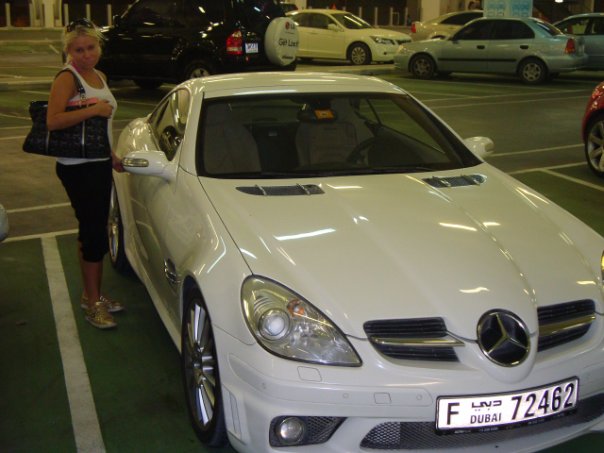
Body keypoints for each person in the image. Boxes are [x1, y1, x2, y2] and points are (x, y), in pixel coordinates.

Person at [47, 18, 124, 329]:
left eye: (91, 47)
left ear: (99, 46)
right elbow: (53, 121)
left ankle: (91, 294)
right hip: (77, 167)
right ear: (68, 51)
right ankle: (93, 303)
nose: (86, 54)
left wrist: (111, 155)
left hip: (98, 162)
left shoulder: (99, 75)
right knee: (94, 234)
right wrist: (93, 109)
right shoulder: (67, 78)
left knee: (91, 229)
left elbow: (100, 128)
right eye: (78, 50)